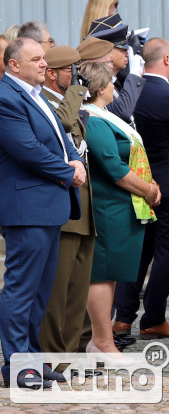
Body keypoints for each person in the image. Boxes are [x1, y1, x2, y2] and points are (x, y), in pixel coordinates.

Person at [0, 38, 86, 388]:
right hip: (27, 209)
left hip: (49, 207)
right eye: (35, 59)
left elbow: (60, 138)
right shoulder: (6, 98)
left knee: (39, 292)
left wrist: (76, 160)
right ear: (13, 64)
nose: (43, 64)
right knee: (21, 289)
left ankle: (32, 358)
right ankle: (17, 365)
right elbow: (28, 150)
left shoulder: (36, 96)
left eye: (43, 59)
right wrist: (69, 171)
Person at [77, 62, 159, 366]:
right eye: (113, 83)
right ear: (100, 90)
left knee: (111, 275)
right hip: (108, 206)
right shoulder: (95, 120)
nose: (116, 88)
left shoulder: (107, 116)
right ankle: (102, 341)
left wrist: (149, 185)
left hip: (120, 206)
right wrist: (148, 191)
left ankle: (102, 342)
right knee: (102, 274)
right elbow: (114, 168)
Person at [115, 39, 169, 340]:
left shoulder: (131, 91)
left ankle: (123, 318)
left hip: (139, 181)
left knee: (140, 253)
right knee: (168, 253)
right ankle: (153, 318)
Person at [38, 46, 95, 358]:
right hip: (63, 208)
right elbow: (63, 126)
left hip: (83, 209)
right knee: (57, 292)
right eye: (70, 70)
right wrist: (76, 92)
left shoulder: (66, 102)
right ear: (51, 74)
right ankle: (53, 358)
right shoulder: (45, 104)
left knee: (77, 290)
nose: (77, 76)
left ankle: (70, 355)